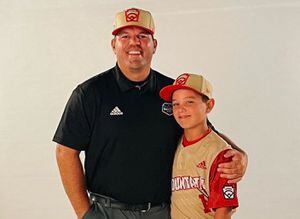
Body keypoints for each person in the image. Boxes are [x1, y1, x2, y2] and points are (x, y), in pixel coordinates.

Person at [53, 8, 247, 219]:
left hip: (162, 211)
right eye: (124, 36)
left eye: (142, 36)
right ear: (113, 45)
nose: (133, 43)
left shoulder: (173, 93)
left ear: (154, 45)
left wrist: (241, 156)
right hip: (106, 211)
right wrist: (85, 214)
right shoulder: (90, 93)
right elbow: (65, 152)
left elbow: (206, 133)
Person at [160, 73, 239, 218]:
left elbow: (224, 210)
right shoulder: (176, 142)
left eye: (189, 102)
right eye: (175, 104)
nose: (180, 109)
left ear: (209, 105)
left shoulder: (219, 152)